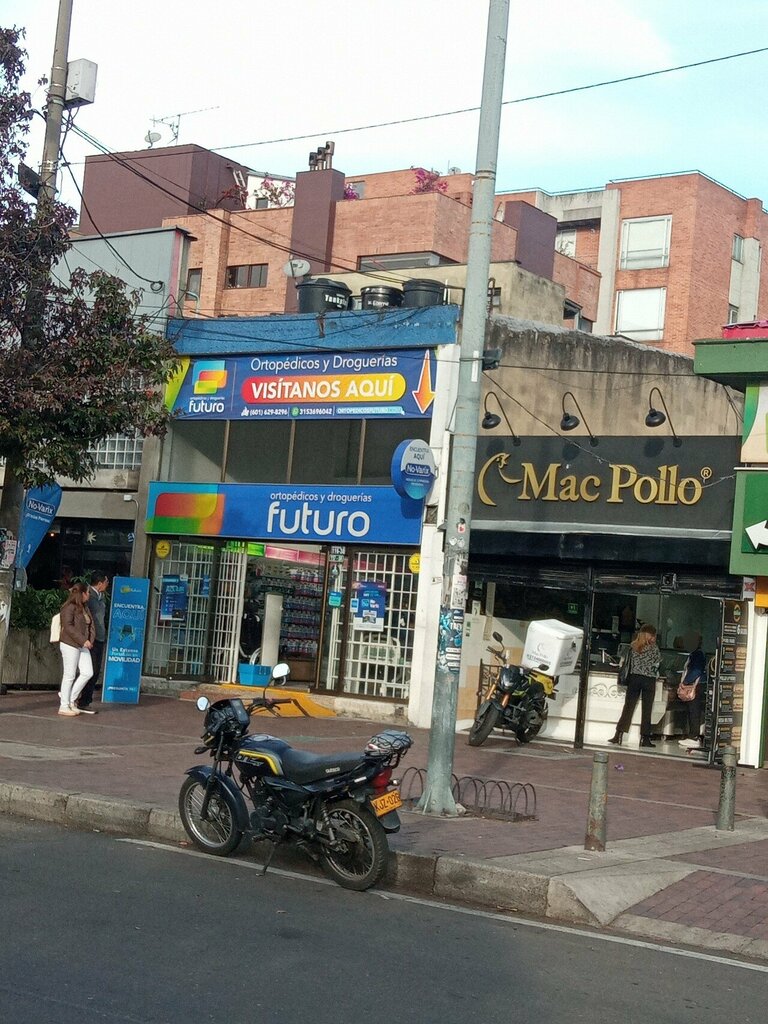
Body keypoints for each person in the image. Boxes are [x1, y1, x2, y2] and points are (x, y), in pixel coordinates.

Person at [609, 624, 661, 748]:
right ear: (651, 635)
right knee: (647, 709)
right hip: (649, 680)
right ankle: (645, 738)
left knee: (628, 707)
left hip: (634, 679)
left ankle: (618, 735)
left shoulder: (633, 647)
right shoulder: (654, 649)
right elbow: (658, 664)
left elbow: (624, 662)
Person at [58, 583, 95, 717]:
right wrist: (82, 640)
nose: (89, 595)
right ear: (83, 593)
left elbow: (90, 625)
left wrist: (89, 640)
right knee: (69, 675)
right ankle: (64, 705)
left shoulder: (84, 607)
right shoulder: (69, 607)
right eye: (88, 593)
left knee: (87, 672)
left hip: (82, 644)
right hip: (70, 643)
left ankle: (70, 699)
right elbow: (68, 626)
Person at [76, 572, 109, 714]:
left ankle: (83, 699)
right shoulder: (89, 595)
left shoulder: (100, 597)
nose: (108, 584)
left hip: (100, 638)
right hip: (91, 639)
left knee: (95, 671)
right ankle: (82, 700)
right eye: (106, 581)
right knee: (90, 670)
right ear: (100, 583)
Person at [678, 633, 707, 750]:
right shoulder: (696, 654)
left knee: (694, 710)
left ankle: (694, 736)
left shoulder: (697, 655)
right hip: (697, 685)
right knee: (692, 710)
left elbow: (696, 671)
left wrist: (685, 682)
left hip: (696, 686)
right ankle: (693, 735)